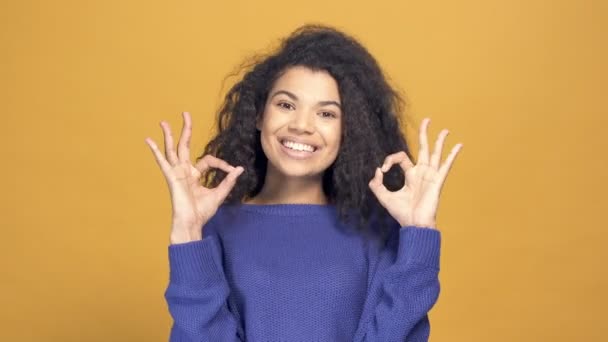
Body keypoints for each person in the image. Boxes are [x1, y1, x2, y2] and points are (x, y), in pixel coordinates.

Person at [145, 24, 463, 342]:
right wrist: (187, 233)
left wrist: (418, 235)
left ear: (348, 130)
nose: (301, 125)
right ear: (259, 114)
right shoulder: (212, 227)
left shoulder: (377, 232)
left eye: (326, 114)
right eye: (286, 105)